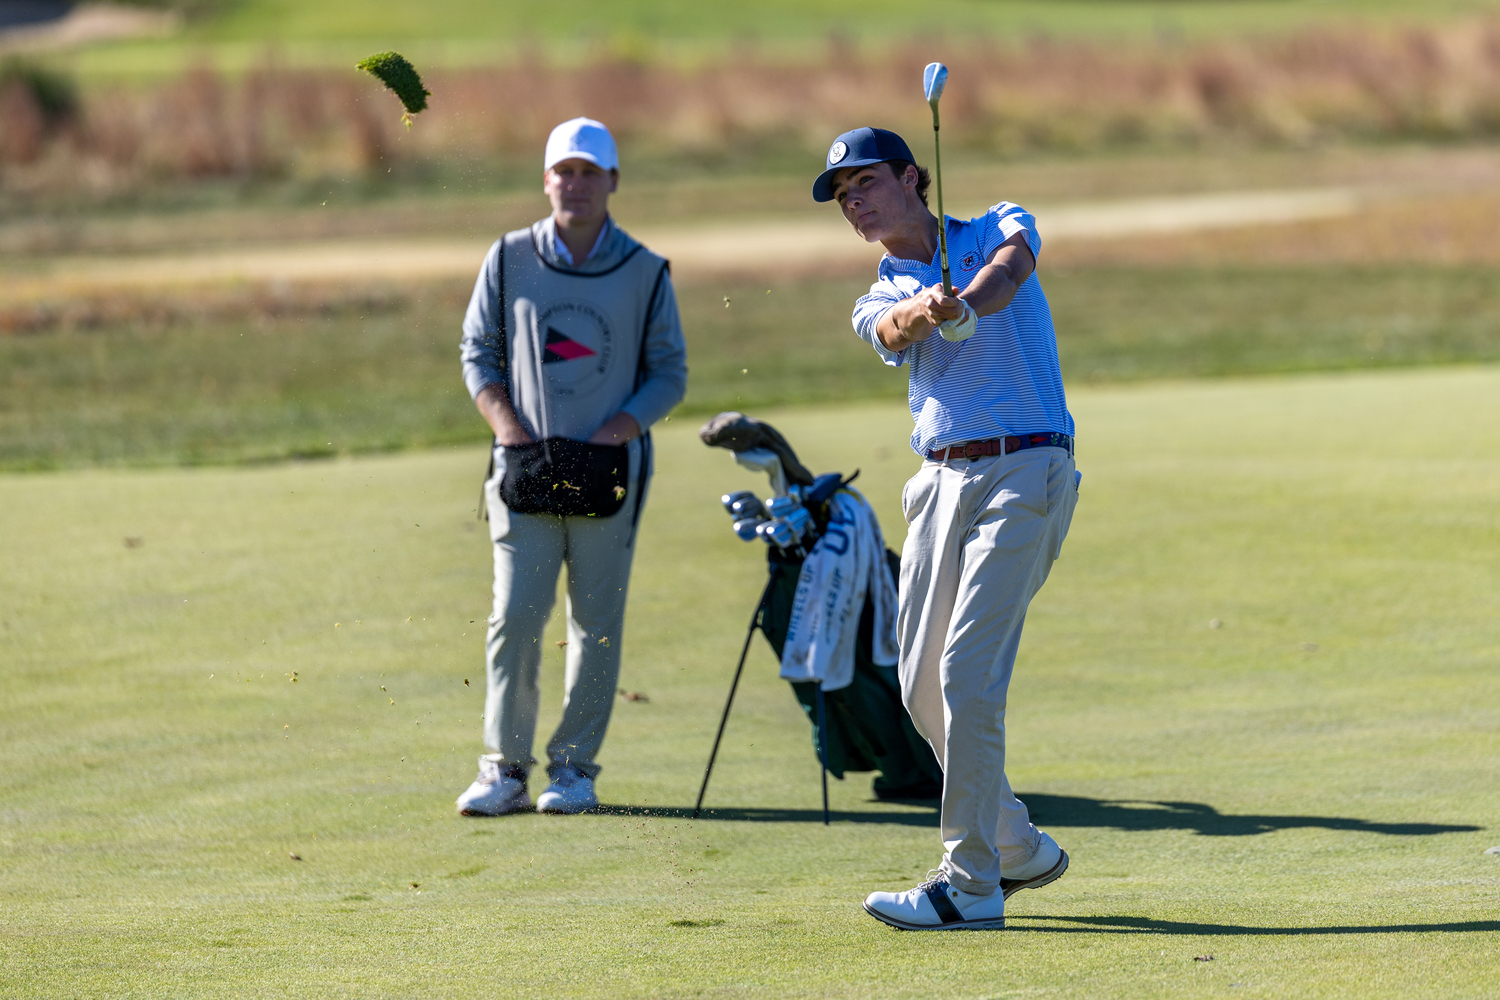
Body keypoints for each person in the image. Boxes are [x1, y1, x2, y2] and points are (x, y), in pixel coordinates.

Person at [812, 127, 1080, 929]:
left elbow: (1007, 273)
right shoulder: (875, 296)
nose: (855, 202)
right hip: (937, 482)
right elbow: (892, 333)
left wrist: (966, 297)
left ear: (909, 176)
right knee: (919, 683)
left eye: (865, 183)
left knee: (965, 671)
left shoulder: (999, 222)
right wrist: (928, 308)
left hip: (1025, 467)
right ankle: (1017, 844)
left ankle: (969, 884)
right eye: (842, 196)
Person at [455, 117, 688, 816]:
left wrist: (615, 434)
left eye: (591, 172)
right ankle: (504, 768)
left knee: (596, 620)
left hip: (610, 470)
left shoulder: (646, 271)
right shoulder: (507, 258)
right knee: (516, 616)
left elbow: (668, 373)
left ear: (613, 181)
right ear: (547, 178)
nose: (576, 184)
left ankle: (575, 769)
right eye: (565, 171)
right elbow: (478, 356)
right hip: (523, 466)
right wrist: (512, 433)